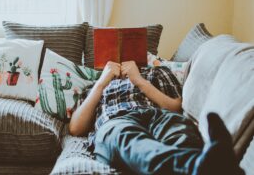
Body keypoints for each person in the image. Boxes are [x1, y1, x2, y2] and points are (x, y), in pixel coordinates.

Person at [69, 61, 244, 175]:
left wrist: (139, 81)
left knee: (181, 132)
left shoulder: (157, 72)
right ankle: (205, 167)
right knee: (130, 139)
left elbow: (176, 107)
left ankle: (209, 163)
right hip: (116, 121)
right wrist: (101, 82)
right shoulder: (94, 86)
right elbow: (76, 128)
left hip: (158, 116)